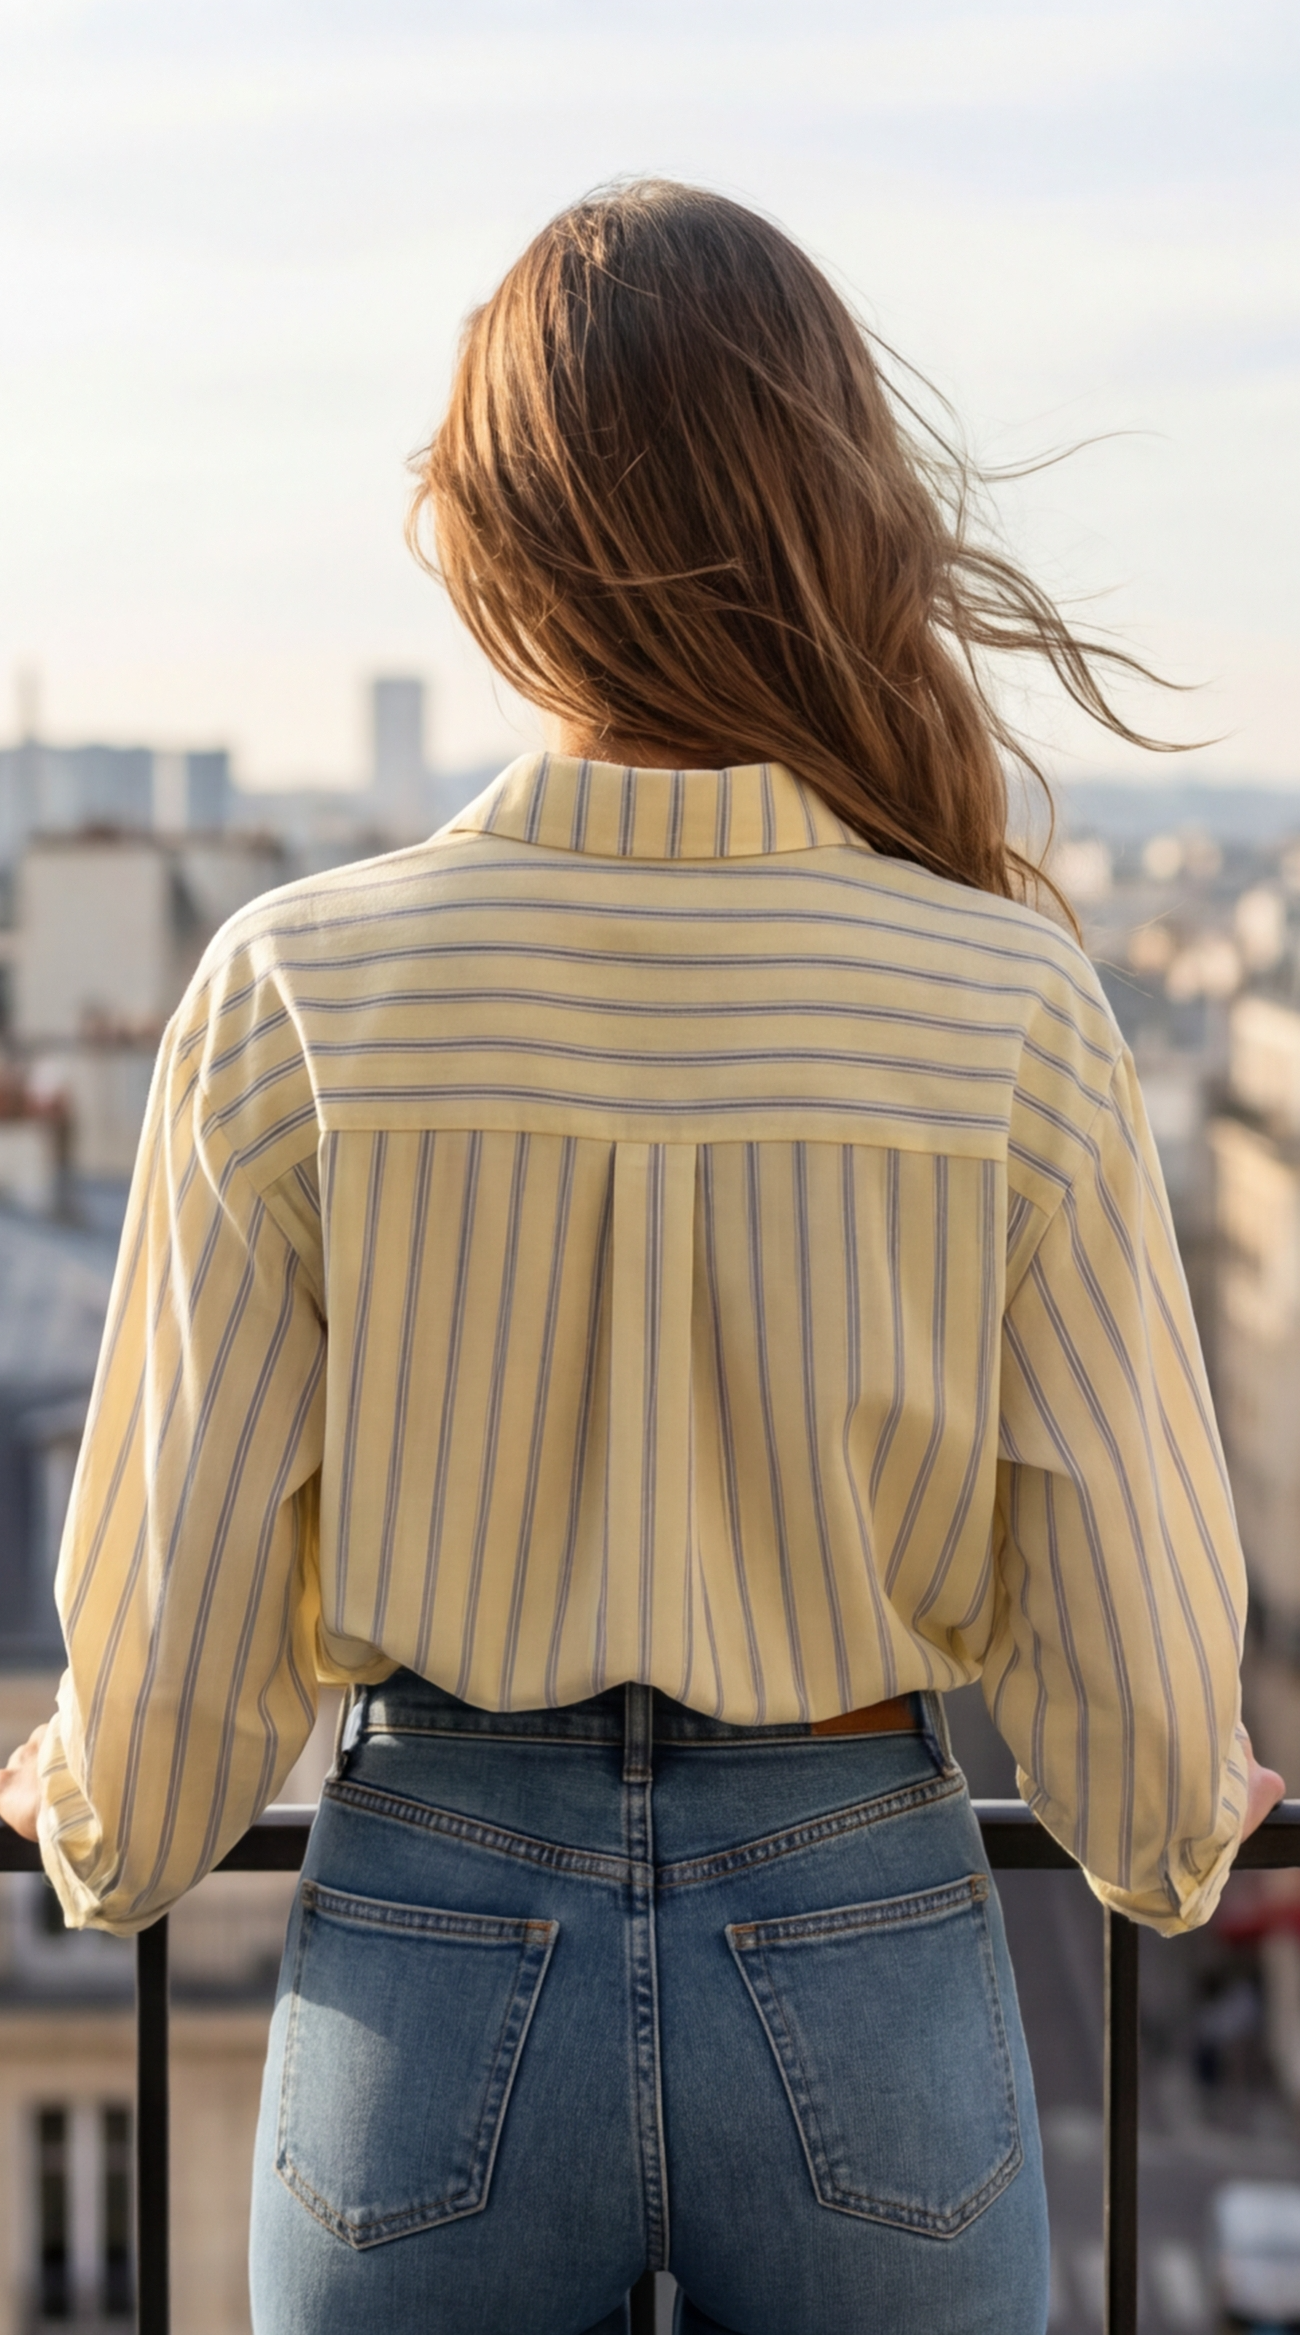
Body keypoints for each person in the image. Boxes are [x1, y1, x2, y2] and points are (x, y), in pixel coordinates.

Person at [0, 178, 1284, 2335]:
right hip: (861, 1910)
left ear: (499, 555)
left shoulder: (290, 991)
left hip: (426, 1933)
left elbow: (183, 1590)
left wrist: (101, 1823)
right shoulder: (1006, 1004)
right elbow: (1121, 1612)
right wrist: (1169, 1821)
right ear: (835, 517)